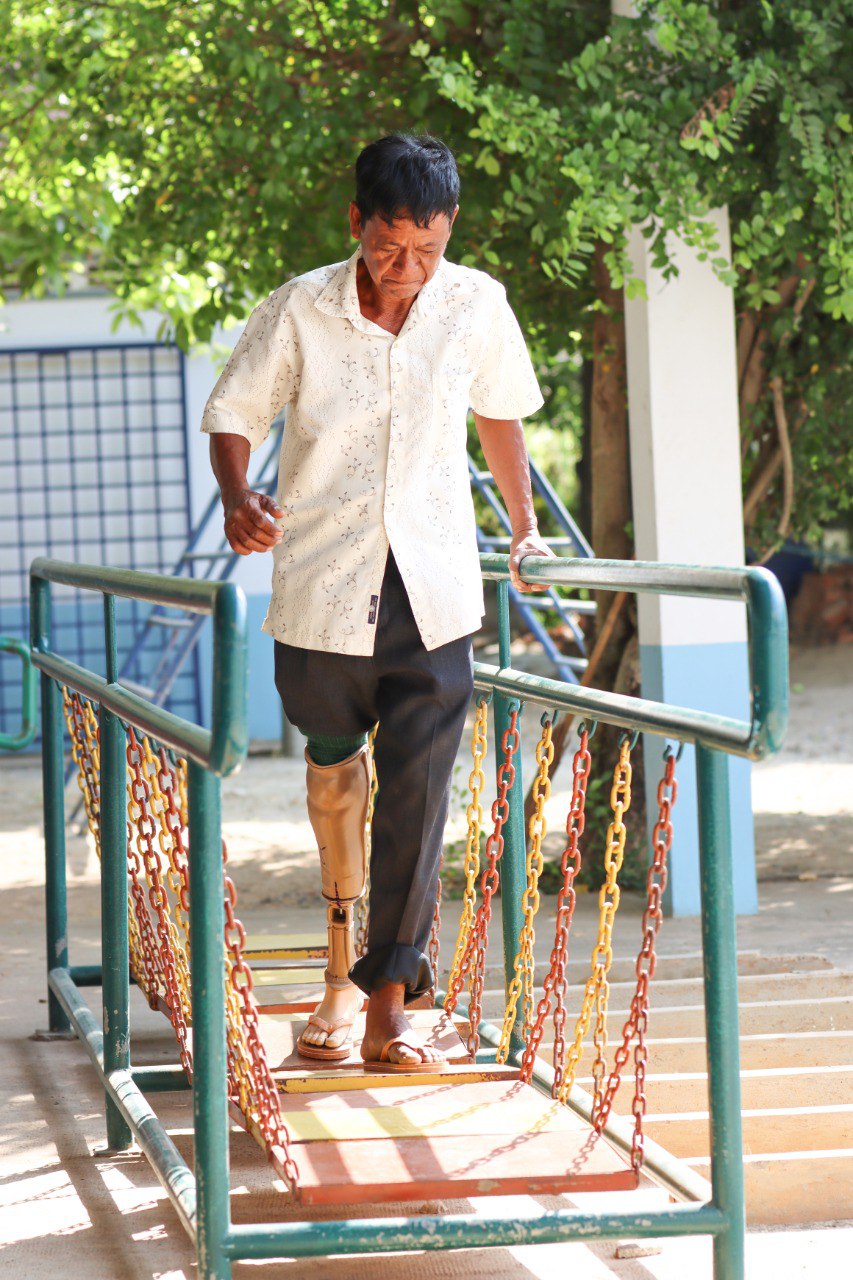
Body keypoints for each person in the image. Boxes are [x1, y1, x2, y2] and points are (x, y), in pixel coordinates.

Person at [201, 132, 556, 1071]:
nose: (406, 269)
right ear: (356, 222)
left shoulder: (475, 303)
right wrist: (239, 498)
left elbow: (499, 416)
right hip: (322, 586)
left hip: (434, 590)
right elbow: (235, 412)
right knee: (334, 771)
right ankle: (336, 960)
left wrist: (524, 529)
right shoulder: (299, 308)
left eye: (427, 249)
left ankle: (386, 1005)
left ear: (450, 231)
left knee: (419, 792)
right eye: (389, 246)